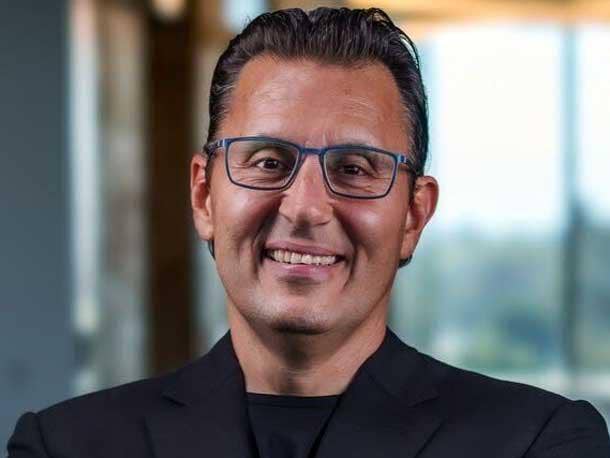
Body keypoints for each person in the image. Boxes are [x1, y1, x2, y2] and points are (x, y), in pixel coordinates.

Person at [7, 7, 610, 458]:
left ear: (413, 216)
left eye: (354, 168)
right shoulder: (65, 446)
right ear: (204, 196)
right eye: (269, 161)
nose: (306, 208)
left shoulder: (539, 442)